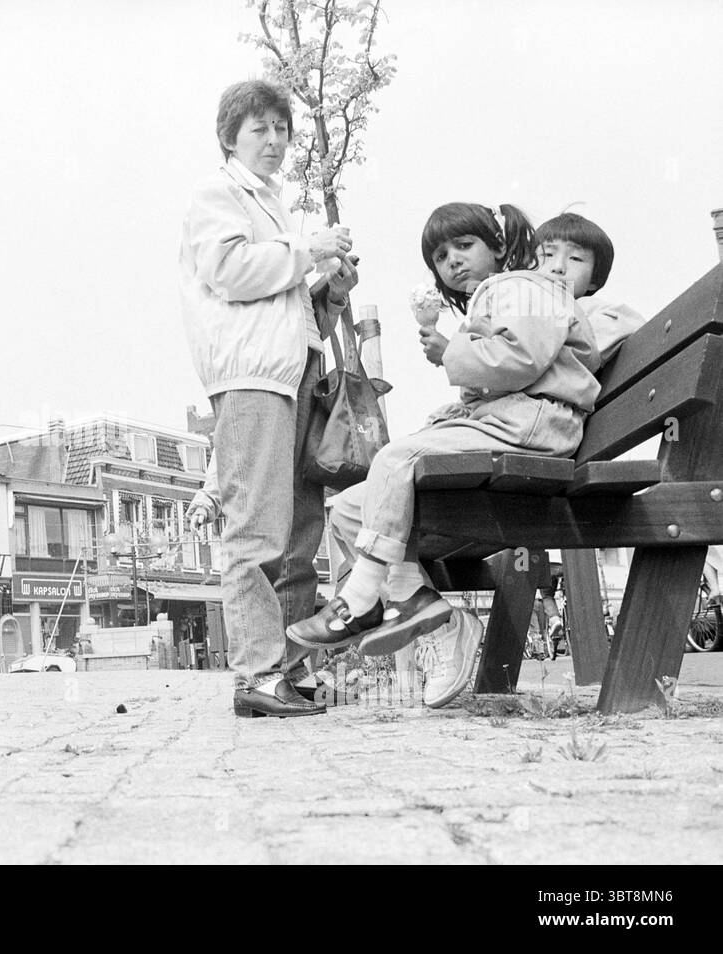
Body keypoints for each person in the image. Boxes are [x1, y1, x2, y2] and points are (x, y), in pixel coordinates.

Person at [289, 202, 601, 675]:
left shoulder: (525, 286)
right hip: (513, 421)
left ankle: (359, 600)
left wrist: (452, 352)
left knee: (396, 459)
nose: (452, 260)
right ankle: (432, 617)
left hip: (535, 425)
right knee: (353, 507)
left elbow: (522, 359)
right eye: (439, 255)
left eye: (464, 245)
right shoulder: (498, 295)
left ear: (498, 246)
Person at [412, 212, 645, 705]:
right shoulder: (536, 306)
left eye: (575, 259)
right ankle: (439, 627)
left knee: (403, 495)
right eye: (547, 256)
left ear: (596, 275)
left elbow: (542, 363)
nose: (558, 266)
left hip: (548, 452)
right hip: (539, 444)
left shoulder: (598, 312)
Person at [179, 78, 357, 718]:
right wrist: (307, 250)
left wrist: (328, 293)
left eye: (282, 130)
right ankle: (257, 674)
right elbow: (228, 272)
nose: (275, 141)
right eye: (260, 129)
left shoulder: (275, 207)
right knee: (256, 529)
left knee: (300, 533)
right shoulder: (218, 194)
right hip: (252, 377)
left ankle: (291, 670)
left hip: (294, 375)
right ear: (230, 137)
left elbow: (288, 309)